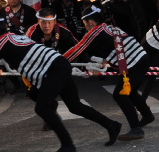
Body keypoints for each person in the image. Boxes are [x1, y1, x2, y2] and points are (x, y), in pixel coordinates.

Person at [0, 15, 122, 152]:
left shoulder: (1, 43)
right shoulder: (14, 37)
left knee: (42, 108)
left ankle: (68, 145)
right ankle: (111, 125)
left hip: (53, 69)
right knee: (74, 105)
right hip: (59, 63)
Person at [64, 8, 153, 141]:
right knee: (131, 92)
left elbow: (78, 49)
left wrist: (57, 61)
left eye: (85, 24)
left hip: (133, 63)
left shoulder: (96, 32)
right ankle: (147, 115)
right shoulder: (108, 27)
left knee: (120, 95)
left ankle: (136, 129)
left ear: (91, 22)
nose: (86, 27)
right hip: (140, 58)